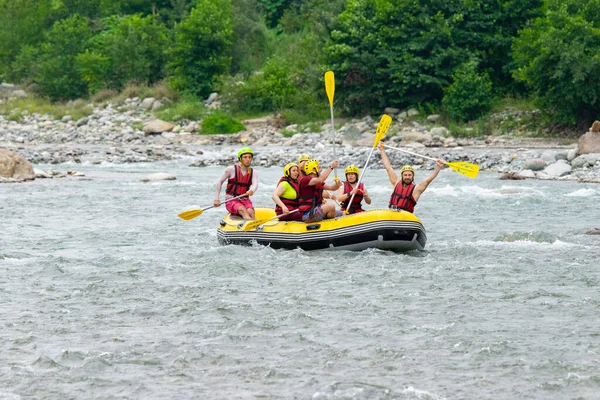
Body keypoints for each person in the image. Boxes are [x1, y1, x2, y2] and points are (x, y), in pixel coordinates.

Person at [377, 142, 444, 212]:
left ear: (413, 176)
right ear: (402, 176)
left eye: (409, 175)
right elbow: (388, 167)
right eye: (405, 175)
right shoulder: (396, 183)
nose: (407, 177)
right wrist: (382, 150)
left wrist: (438, 167)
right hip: (392, 213)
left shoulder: (417, 189)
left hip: (406, 217)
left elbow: (428, 180)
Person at [214, 147, 258, 219]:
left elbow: (255, 184)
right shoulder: (231, 169)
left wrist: (252, 190)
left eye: (250, 157)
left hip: (245, 199)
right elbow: (220, 181)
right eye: (245, 157)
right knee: (242, 210)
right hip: (231, 199)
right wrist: (216, 199)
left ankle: (255, 227)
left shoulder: (254, 172)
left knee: (251, 212)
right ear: (240, 159)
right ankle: (253, 227)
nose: (248, 159)